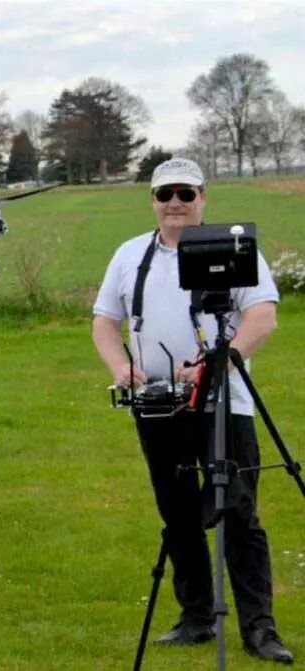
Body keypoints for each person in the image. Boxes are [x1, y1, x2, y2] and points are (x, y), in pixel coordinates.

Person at [92, 158, 293, 664]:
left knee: (239, 513)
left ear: (204, 197)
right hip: (158, 406)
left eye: (186, 193)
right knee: (177, 512)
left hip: (226, 401)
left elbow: (262, 315)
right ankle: (196, 616)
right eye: (165, 195)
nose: (175, 203)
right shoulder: (128, 255)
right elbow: (104, 322)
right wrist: (121, 367)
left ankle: (259, 629)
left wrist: (220, 363)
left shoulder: (234, 247)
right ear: (152, 202)